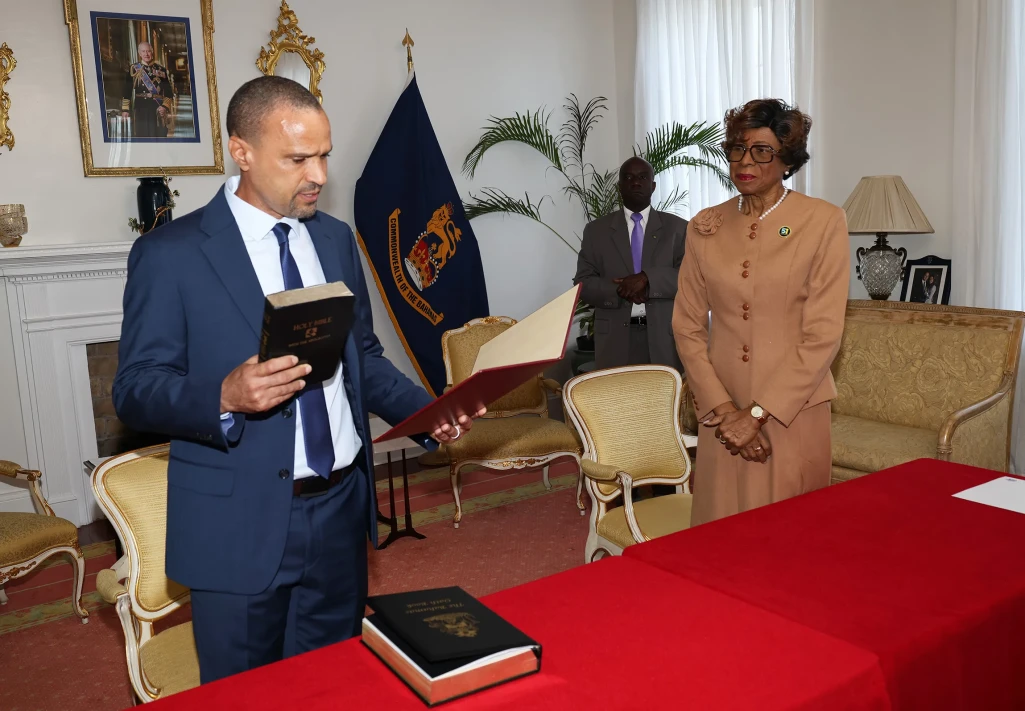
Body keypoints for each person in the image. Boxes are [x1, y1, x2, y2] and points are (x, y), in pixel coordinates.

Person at [113, 76, 483, 683]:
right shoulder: (171, 254)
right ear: (242, 152)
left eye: (324, 155)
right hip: (239, 524)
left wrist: (429, 413)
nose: (318, 175)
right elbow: (134, 388)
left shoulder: (335, 240)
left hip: (340, 511)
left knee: (330, 686)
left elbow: (362, 357)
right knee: (246, 694)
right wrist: (224, 396)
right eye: (297, 159)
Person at [673, 98, 850, 526]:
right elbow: (687, 327)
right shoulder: (705, 226)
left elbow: (823, 335)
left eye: (762, 151)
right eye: (737, 148)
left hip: (792, 410)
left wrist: (756, 415)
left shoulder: (823, 221)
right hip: (722, 413)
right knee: (720, 530)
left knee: (789, 535)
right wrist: (725, 411)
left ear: (787, 160)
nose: (745, 161)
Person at [573, 157, 688, 370]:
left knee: (663, 393)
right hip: (614, 341)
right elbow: (582, 283)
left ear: (653, 186)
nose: (635, 182)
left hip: (664, 339)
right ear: (620, 186)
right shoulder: (596, 231)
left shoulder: (678, 228)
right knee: (618, 393)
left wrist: (647, 280)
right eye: (628, 177)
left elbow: (689, 277)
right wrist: (622, 289)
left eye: (642, 177)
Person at [121, 42, 172, 138]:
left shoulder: (161, 69)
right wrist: (125, 109)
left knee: (159, 137)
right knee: (142, 136)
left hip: (157, 107)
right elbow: (127, 91)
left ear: (152, 52)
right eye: (143, 51)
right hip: (141, 108)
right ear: (139, 53)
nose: (146, 54)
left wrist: (164, 107)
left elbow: (168, 92)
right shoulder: (134, 69)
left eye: (148, 51)